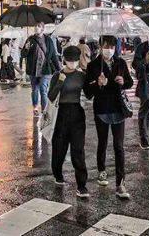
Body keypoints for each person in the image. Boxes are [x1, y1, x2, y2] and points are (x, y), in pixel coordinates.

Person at [84, 36, 134, 199]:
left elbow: (129, 82)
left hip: (118, 108)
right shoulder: (93, 65)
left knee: (119, 146)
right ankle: (102, 170)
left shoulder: (120, 63)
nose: (109, 49)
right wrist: (97, 84)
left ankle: (121, 183)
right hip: (102, 109)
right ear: (100, 46)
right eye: (106, 46)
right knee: (103, 142)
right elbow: (87, 92)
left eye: (112, 46)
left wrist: (123, 81)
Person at [47, 46, 90, 198]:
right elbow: (51, 97)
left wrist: (98, 82)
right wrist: (59, 82)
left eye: (75, 60)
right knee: (59, 147)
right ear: (64, 59)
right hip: (61, 114)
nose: (72, 63)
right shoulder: (57, 75)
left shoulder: (81, 75)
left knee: (78, 150)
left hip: (77, 113)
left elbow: (89, 95)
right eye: (70, 60)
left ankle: (82, 185)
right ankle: (58, 174)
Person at [24, 22, 60, 116]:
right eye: (35, 26)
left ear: (42, 29)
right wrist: (26, 48)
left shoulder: (48, 40)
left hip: (45, 69)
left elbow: (53, 55)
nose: (36, 27)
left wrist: (58, 69)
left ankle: (44, 110)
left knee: (43, 89)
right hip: (33, 69)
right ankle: (35, 107)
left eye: (38, 26)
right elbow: (23, 55)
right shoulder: (30, 40)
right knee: (34, 89)